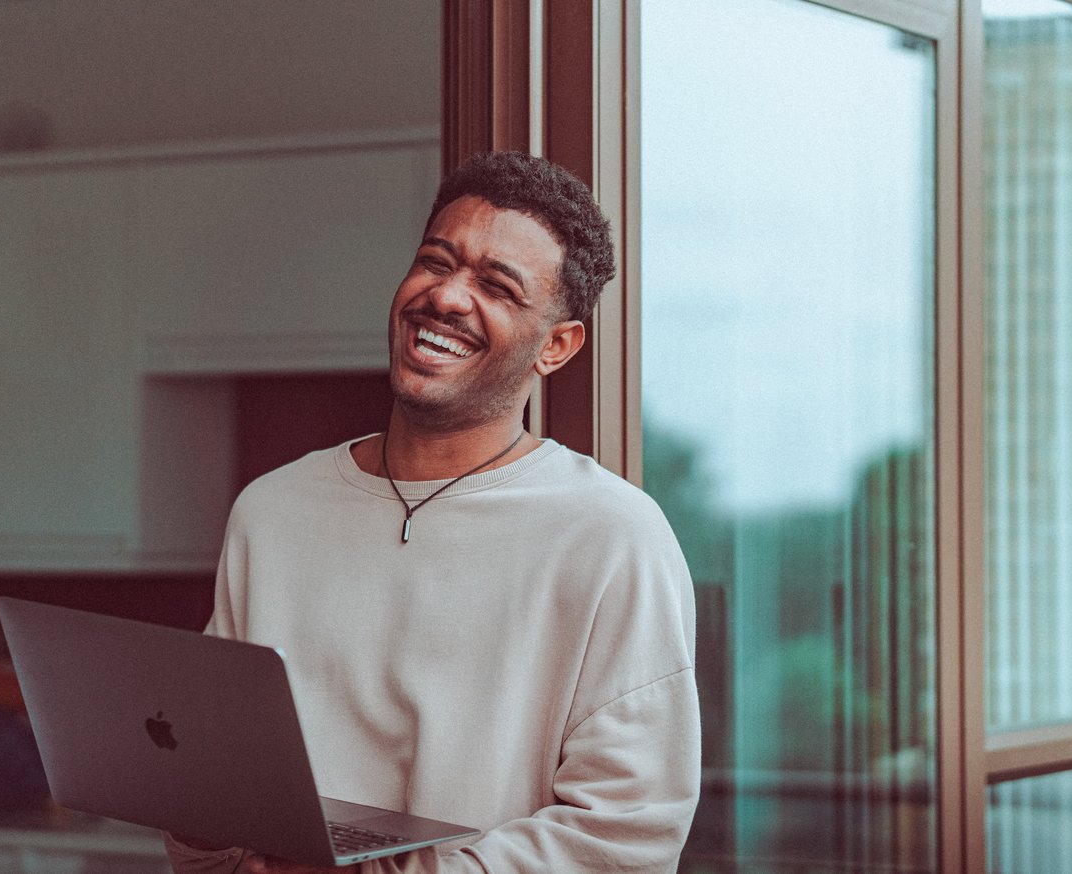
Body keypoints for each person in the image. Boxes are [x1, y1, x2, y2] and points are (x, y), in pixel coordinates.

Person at [164, 151, 700, 873]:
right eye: (435, 261)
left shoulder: (612, 536)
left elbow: (626, 834)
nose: (446, 297)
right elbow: (213, 799)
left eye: (498, 286)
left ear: (558, 346)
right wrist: (201, 828)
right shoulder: (272, 511)